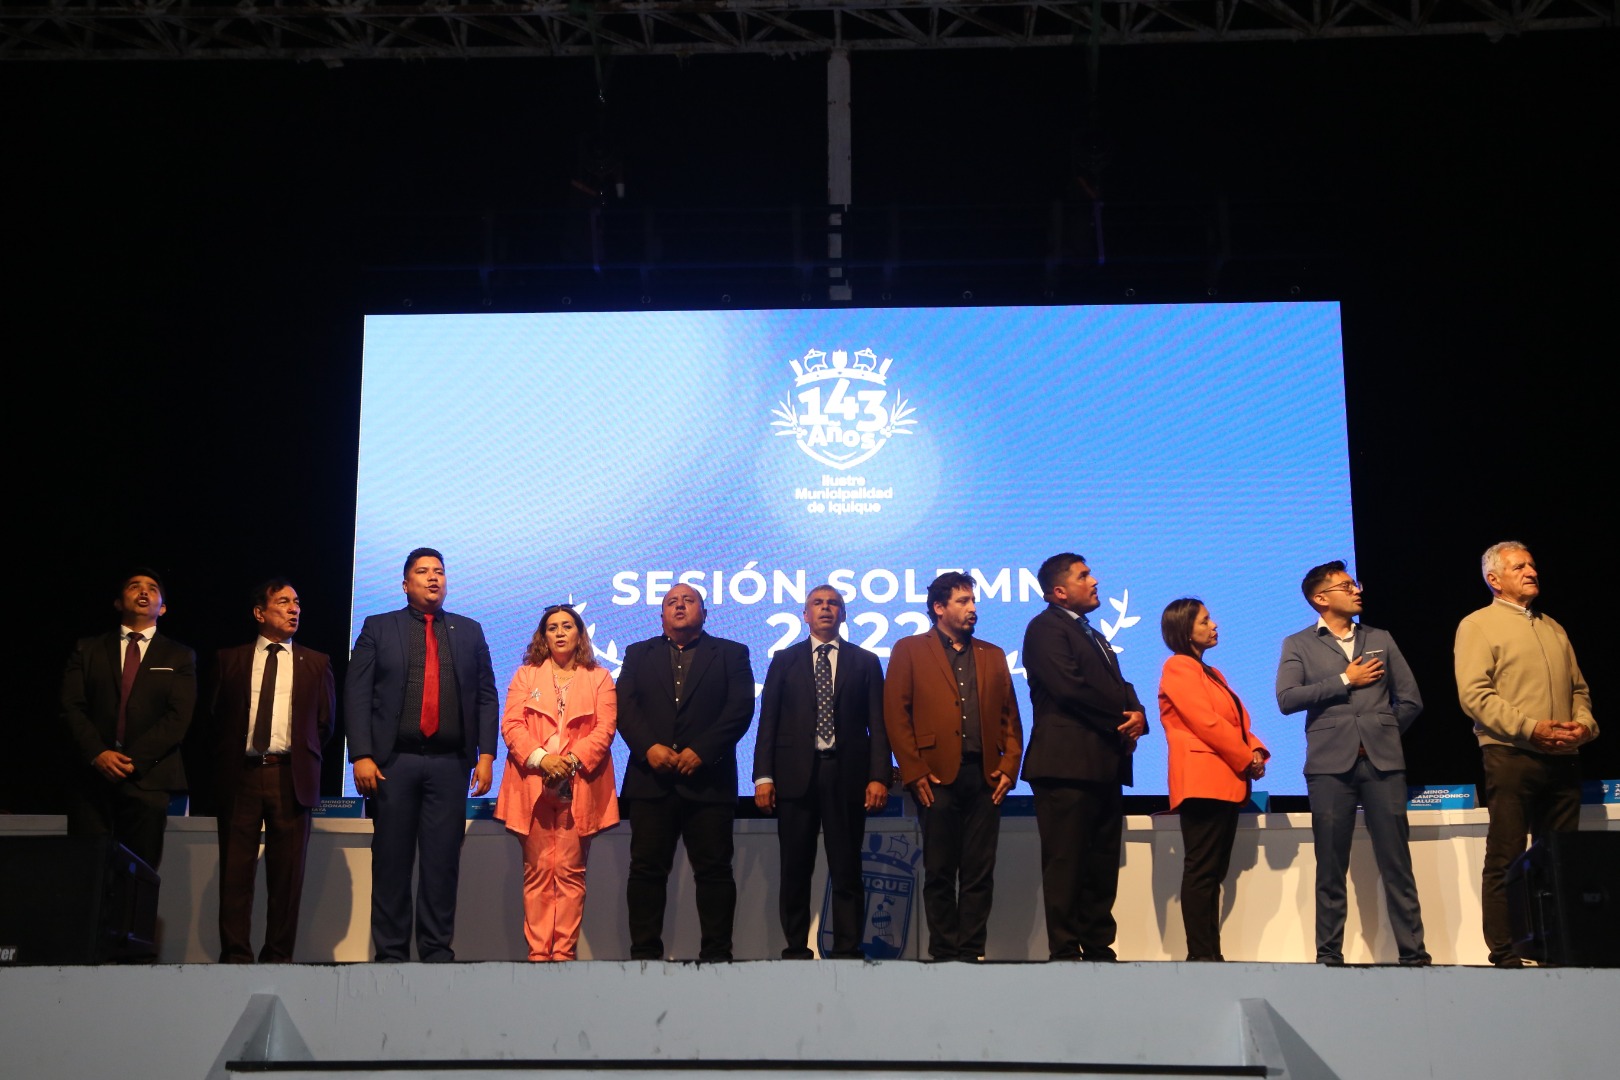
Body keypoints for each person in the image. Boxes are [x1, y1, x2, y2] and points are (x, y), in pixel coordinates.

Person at [345, 547, 499, 962]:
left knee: (442, 862)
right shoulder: (379, 627)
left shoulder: (469, 631)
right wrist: (361, 754)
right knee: (391, 861)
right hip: (393, 763)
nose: (433, 578)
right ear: (405, 583)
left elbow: (486, 695)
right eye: (423, 571)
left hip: (450, 764)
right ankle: (392, 954)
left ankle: (435, 951)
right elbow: (357, 693)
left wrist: (487, 755)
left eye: (440, 572)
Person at [1276, 561, 1428, 966]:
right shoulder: (1298, 643)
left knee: (1396, 862)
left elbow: (1410, 699)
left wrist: (1383, 729)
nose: (1357, 590)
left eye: (1354, 584)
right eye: (1346, 586)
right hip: (1329, 766)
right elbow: (1287, 698)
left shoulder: (1380, 638)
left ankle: (1414, 955)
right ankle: (1329, 956)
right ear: (1320, 598)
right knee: (1330, 865)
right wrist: (1345, 680)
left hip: (1383, 762)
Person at [1454, 541, 1599, 968]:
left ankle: (1558, 949)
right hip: (1511, 755)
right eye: (1519, 567)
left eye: (1532, 565)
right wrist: (1530, 728)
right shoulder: (1477, 625)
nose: (1531, 572)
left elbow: (1579, 690)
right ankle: (1506, 952)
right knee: (1507, 855)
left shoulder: (1554, 627)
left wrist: (1583, 726)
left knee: (1561, 858)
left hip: (1563, 755)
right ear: (1494, 580)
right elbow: (1475, 696)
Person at [884, 571, 1021, 962]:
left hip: (986, 776)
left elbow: (1010, 717)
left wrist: (1010, 766)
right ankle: (944, 954)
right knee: (940, 871)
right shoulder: (910, 649)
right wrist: (913, 770)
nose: (972, 608)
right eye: (963, 601)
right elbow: (896, 714)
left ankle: (972, 951)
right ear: (939, 608)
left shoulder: (992, 654)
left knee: (980, 871)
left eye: (973, 600)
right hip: (934, 777)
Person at [616, 583, 755, 962]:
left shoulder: (731, 653)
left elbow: (740, 709)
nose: (680, 606)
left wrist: (702, 752)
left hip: (709, 782)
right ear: (661, 615)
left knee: (714, 872)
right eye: (672, 602)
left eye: (688, 601)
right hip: (651, 781)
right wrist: (649, 747)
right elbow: (625, 707)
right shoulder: (637, 653)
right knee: (646, 871)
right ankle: (644, 957)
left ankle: (717, 957)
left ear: (704, 613)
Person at [1020, 553, 1147, 962]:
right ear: (1059, 592)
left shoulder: (1094, 634)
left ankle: (1097, 947)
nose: (1094, 581)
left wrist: (1138, 715)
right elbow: (1069, 688)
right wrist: (1120, 719)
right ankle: (1065, 950)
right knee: (1067, 860)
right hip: (1065, 765)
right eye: (1084, 576)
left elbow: (1120, 686)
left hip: (1103, 763)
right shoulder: (1045, 628)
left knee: (1101, 862)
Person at [754, 584, 891, 959]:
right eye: (818, 603)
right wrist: (763, 776)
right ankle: (795, 948)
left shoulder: (865, 661)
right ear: (805, 615)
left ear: (843, 615)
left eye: (833, 604)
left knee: (847, 867)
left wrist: (879, 776)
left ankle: (847, 949)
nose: (826, 608)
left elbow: (878, 725)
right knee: (794, 868)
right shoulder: (784, 660)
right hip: (794, 776)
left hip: (847, 776)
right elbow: (768, 722)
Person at [208, 579, 335, 963]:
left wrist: (299, 757)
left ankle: (278, 958)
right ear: (259, 612)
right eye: (283, 602)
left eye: (297, 602)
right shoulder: (230, 659)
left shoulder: (316, 663)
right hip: (241, 776)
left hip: (290, 776)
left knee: (287, 877)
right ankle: (235, 957)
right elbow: (215, 718)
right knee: (235, 873)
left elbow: (324, 725)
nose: (294, 609)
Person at [494, 604, 620, 961]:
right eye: (552, 627)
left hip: (579, 785)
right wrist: (542, 759)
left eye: (567, 626)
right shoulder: (525, 676)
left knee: (570, 873)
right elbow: (512, 725)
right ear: (543, 636)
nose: (560, 632)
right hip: (532, 783)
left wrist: (571, 762)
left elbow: (605, 729)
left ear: (580, 634)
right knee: (536, 873)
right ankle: (538, 955)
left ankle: (563, 954)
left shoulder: (600, 678)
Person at [59, 568, 197, 870]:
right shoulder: (88, 648)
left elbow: (178, 717)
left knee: (138, 876)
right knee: (87, 873)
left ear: (163, 608)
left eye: (152, 588)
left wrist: (132, 760)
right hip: (92, 779)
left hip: (148, 780)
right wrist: (98, 753)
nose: (143, 591)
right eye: (134, 586)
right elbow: (71, 706)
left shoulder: (179, 656)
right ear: (118, 602)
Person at [1156, 598, 1268, 962]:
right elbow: (1205, 722)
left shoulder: (1212, 673)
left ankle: (1210, 955)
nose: (1214, 625)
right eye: (1204, 621)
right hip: (1202, 780)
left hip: (1225, 780)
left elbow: (1237, 721)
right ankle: (1201, 957)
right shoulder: (1178, 666)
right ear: (1185, 630)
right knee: (1202, 870)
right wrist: (1244, 757)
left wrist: (1256, 750)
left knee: (1213, 872)